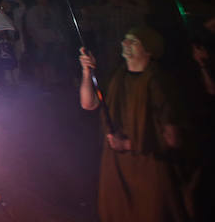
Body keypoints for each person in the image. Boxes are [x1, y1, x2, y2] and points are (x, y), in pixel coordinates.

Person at [79, 25, 186, 222]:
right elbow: (89, 103)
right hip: (116, 165)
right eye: (125, 39)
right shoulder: (116, 76)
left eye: (133, 41)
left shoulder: (159, 83)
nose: (125, 43)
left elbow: (173, 138)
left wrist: (128, 144)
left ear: (149, 50)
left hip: (148, 166)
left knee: (152, 212)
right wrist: (87, 72)